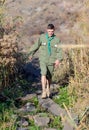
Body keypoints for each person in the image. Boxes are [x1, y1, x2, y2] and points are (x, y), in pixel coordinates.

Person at [29, 24, 63, 98]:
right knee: (43, 74)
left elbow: (60, 51)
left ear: (54, 30)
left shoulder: (57, 40)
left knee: (49, 77)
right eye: (49, 31)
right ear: (47, 30)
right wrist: (31, 53)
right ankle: (43, 91)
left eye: (52, 31)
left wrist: (58, 59)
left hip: (52, 61)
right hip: (43, 59)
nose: (50, 32)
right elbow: (36, 46)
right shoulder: (42, 37)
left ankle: (48, 89)